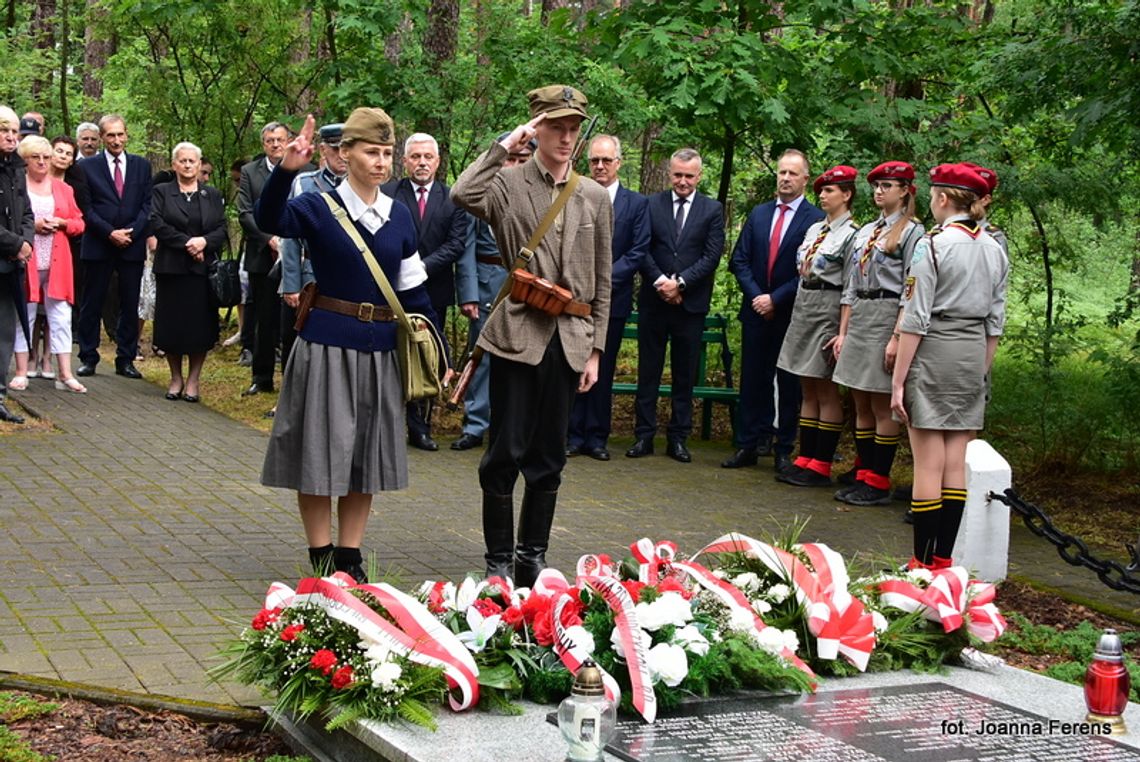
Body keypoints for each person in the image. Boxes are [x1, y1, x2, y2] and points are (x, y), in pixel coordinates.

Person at [256, 108, 442, 583]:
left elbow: (414, 290)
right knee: (319, 454)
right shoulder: (317, 207)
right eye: (369, 151)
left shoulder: (399, 216)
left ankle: (350, 557)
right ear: (345, 154)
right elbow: (268, 217)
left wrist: (435, 349)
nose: (380, 162)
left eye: (385, 153)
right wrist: (287, 170)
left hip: (381, 352)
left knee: (367, 455)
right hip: (325, 348)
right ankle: (321, 556)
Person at [451, 85, 612, 586]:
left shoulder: (592, 195)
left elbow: (603, 278)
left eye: (573, 129)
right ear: (536, 128)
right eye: (556, 127)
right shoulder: (507, 184)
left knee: (549, 456)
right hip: (519, 336)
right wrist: (506, 144)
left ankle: (531, 558)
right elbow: (462, 193)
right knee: (504, 452)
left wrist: (597, 350)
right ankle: (498, 560)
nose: (566, 138)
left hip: (570, 340)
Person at [891, 163, 1008, 570]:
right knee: (955, 460)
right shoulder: (994, 247)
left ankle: (921, 561)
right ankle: (943, 558)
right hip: (973, 352)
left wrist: (898, 381)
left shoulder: (932, 244)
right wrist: (980, 371)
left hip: (934, 348)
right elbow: (996, 320)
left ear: (942, 198)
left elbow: (915, 317)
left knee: (928, 461)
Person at [724, 149, 825, 474]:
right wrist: (758, 297)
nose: (785, 178)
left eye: (792, 173)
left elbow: (810, 271)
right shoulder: (759, 214)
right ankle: (749, 444)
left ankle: (784, 447)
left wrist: (775, 299)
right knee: (753, 381)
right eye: (782, 172)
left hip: (790, 314)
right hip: (755, 312)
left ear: (805, 179)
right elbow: (739, 259)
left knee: (788, 383)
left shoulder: (815, 220)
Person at [831, 161, 925, 506]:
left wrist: (897, 335)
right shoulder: (867, 230)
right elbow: (850, 285)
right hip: (861, 316)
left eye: (887, 185)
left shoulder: (912, 231)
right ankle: (864, 471)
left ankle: (878, 480)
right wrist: (843, 331)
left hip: (888, 315)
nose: (879, 191)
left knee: (881, 402)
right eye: (877, 185)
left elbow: (910, 288)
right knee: (860, 400)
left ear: (904, 190)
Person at [627, 148, 725, 463]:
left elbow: (711, 257)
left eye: (689, 176)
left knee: (685, 375)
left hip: (689, 306)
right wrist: (661, 283)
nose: (682, 181)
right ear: (670, 173)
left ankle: (678, 438)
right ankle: (643, 436)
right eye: (678, 175)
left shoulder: (712, 210)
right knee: (649, 372)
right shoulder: (649, 204)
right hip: (654, 303)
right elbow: (640, 248)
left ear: (699, 176)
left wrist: (680, 284)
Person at [383, 133, 470, 452]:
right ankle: (388, 425)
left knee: (426, 358)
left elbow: (456, 244)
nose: (422, 162)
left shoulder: (453, 198)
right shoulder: (387, 193)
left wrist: (421, 267)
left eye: (428, 157)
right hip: (392, 291)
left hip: (433, 289)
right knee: (391, 356)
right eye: (415, 156)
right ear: (404, 161)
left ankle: (420, 427)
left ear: (437, 161)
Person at [774, 165, 860, 487]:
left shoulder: (852, 234)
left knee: (824, 386)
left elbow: (852, 284)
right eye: (821, 190)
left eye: (829, 191)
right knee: (805, 384)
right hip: (804, 306)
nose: (822, 195)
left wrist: (843, 329)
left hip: (829, 307)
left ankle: (822, 463)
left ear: (846, 195)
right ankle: (805, 457)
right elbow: (802, 270)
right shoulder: (815, 230)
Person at [449, 135, 536, 452]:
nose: (513, 165)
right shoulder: (482, 195)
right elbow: (466, 249)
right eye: (509, 159)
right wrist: (468, 293)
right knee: (481, 357)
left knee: (525, 358)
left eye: (521, 160)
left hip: (527, 285)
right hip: (487, 284)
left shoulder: (540, 195)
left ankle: (517, 428)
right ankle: (475, 425)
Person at [566, 134, 649, 461]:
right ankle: (572, 434)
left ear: (618, 162)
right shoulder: (574, 196)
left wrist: (602, 279)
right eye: (594, 161)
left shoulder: (636, 204)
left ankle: (597, 436)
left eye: (606, 160)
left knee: (603, 366)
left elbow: (638, 250)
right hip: (575, 298)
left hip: (613, 300)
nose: (600, 166)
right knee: (574, 365)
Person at [74, 114, 153, 378]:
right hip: (99, 242)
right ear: (102, 138)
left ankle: (126, 358)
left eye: (120, 135)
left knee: (130, 303)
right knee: (92, 302)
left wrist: (130, 232)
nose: (116, 140)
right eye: (110, 135)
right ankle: (88, 356)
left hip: (131, 243)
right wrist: (110, 233)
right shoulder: (87, 167)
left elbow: (147, 205)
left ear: (127, 135)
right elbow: (86, 207)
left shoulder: (141, 166)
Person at [149, 143, 227, 402]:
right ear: (174, 165)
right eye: (182, 161)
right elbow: (156, 223)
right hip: (172, 268)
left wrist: (204, 242)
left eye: (192, 161)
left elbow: (221, 229)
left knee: (199, 328)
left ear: (199, 163)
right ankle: (175, 378)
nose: (187, 165)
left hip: (201, 272)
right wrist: (187, 243)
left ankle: (193, 380)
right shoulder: (161, 192)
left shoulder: (211, 194)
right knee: (172, 326)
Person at [10, 135, 86, 392]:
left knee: (61, 315)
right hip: (28, 259)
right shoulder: (17, 185)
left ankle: (65, 373)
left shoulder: (64, 189)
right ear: (25, 161)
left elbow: (79, 223)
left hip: (58, 261)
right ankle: (21, 371)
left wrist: (62, 224)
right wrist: (35, 227)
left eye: (46, 157)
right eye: (36, 157)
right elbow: (12, 223)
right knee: (25, 315)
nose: (42, 162)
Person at [238, 121, 291, 397]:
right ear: (264, 144)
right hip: (262, 255)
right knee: (264, 318)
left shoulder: (304, 171)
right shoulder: (250, 172)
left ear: (288, 141)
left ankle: (293, 382)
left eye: (280, 139)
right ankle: (262, 377)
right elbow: (245, 212)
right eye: (270, 140)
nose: (275, 144)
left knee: (293, 321)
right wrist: (270, 238)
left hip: (296, 256)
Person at [0, 106, 34, 423]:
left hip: (11, 265)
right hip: (5, 253)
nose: (11, 136)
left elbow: (26, 213)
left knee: (5, 331)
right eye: (3, 130)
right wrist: (14, 243)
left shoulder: (18, 169)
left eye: (14, 131)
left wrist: (25, 243)